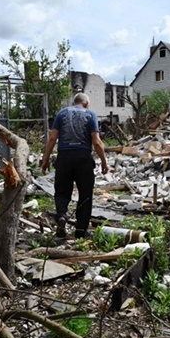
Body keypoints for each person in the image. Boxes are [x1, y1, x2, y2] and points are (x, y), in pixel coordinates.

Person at [41, 93, 109, 238]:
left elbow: (53, 137)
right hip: (83, 158)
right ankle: (80, 230)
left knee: (61, 191)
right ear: (85, 103)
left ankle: (61, 216)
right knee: (85, 194)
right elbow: (96, 142)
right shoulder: (90, 115)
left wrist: (45, 159)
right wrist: (104, 162)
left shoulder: (61, 114)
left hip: (64, 158)